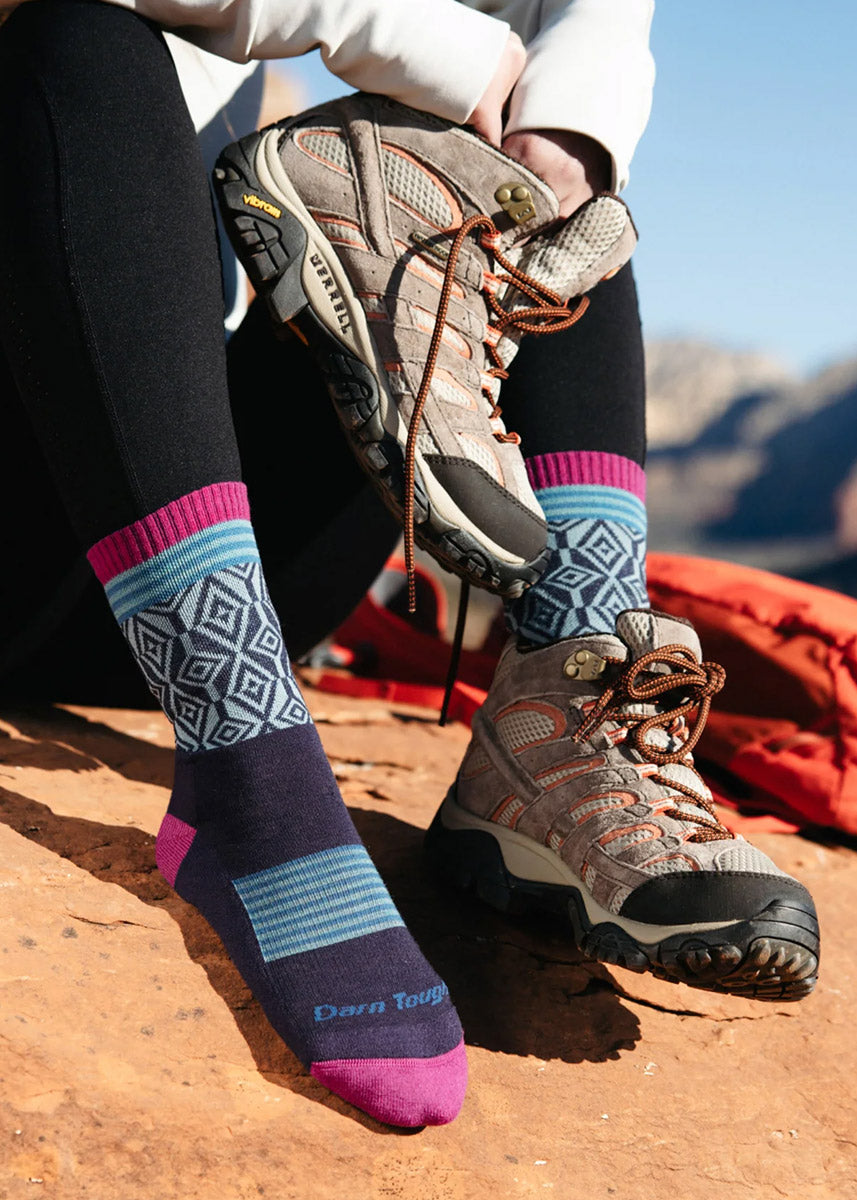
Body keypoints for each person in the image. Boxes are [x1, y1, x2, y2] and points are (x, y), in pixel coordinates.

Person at [0, 0, 818, 1132]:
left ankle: (563, 726)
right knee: (78, 38)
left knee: (531, 190)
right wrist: (418, 30)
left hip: (191, 563)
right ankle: (252, 787)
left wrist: (559, 134)